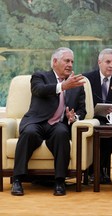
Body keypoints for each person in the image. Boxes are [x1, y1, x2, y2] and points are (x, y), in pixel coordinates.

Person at [11, 47, 86, 196]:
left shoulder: (76, 86)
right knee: (29, 133)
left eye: (72, 61)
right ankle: (17, 180)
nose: (70, 64)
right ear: (55, 62)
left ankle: (59, 181)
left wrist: (74, 117)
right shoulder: (40, 76)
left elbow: (82, 111)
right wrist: (62, 86)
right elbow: (39, 90)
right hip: (36, 122)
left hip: (57, 124)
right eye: (67, 60)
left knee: (62, 133)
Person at [83, 48, 112, 184]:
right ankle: (96, 170)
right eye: (108, 62)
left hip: (109, 122)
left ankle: (96, 169)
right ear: (99, 62)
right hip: (89, 119)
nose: (111, 66)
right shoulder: (86, 79)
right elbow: (79, 103)